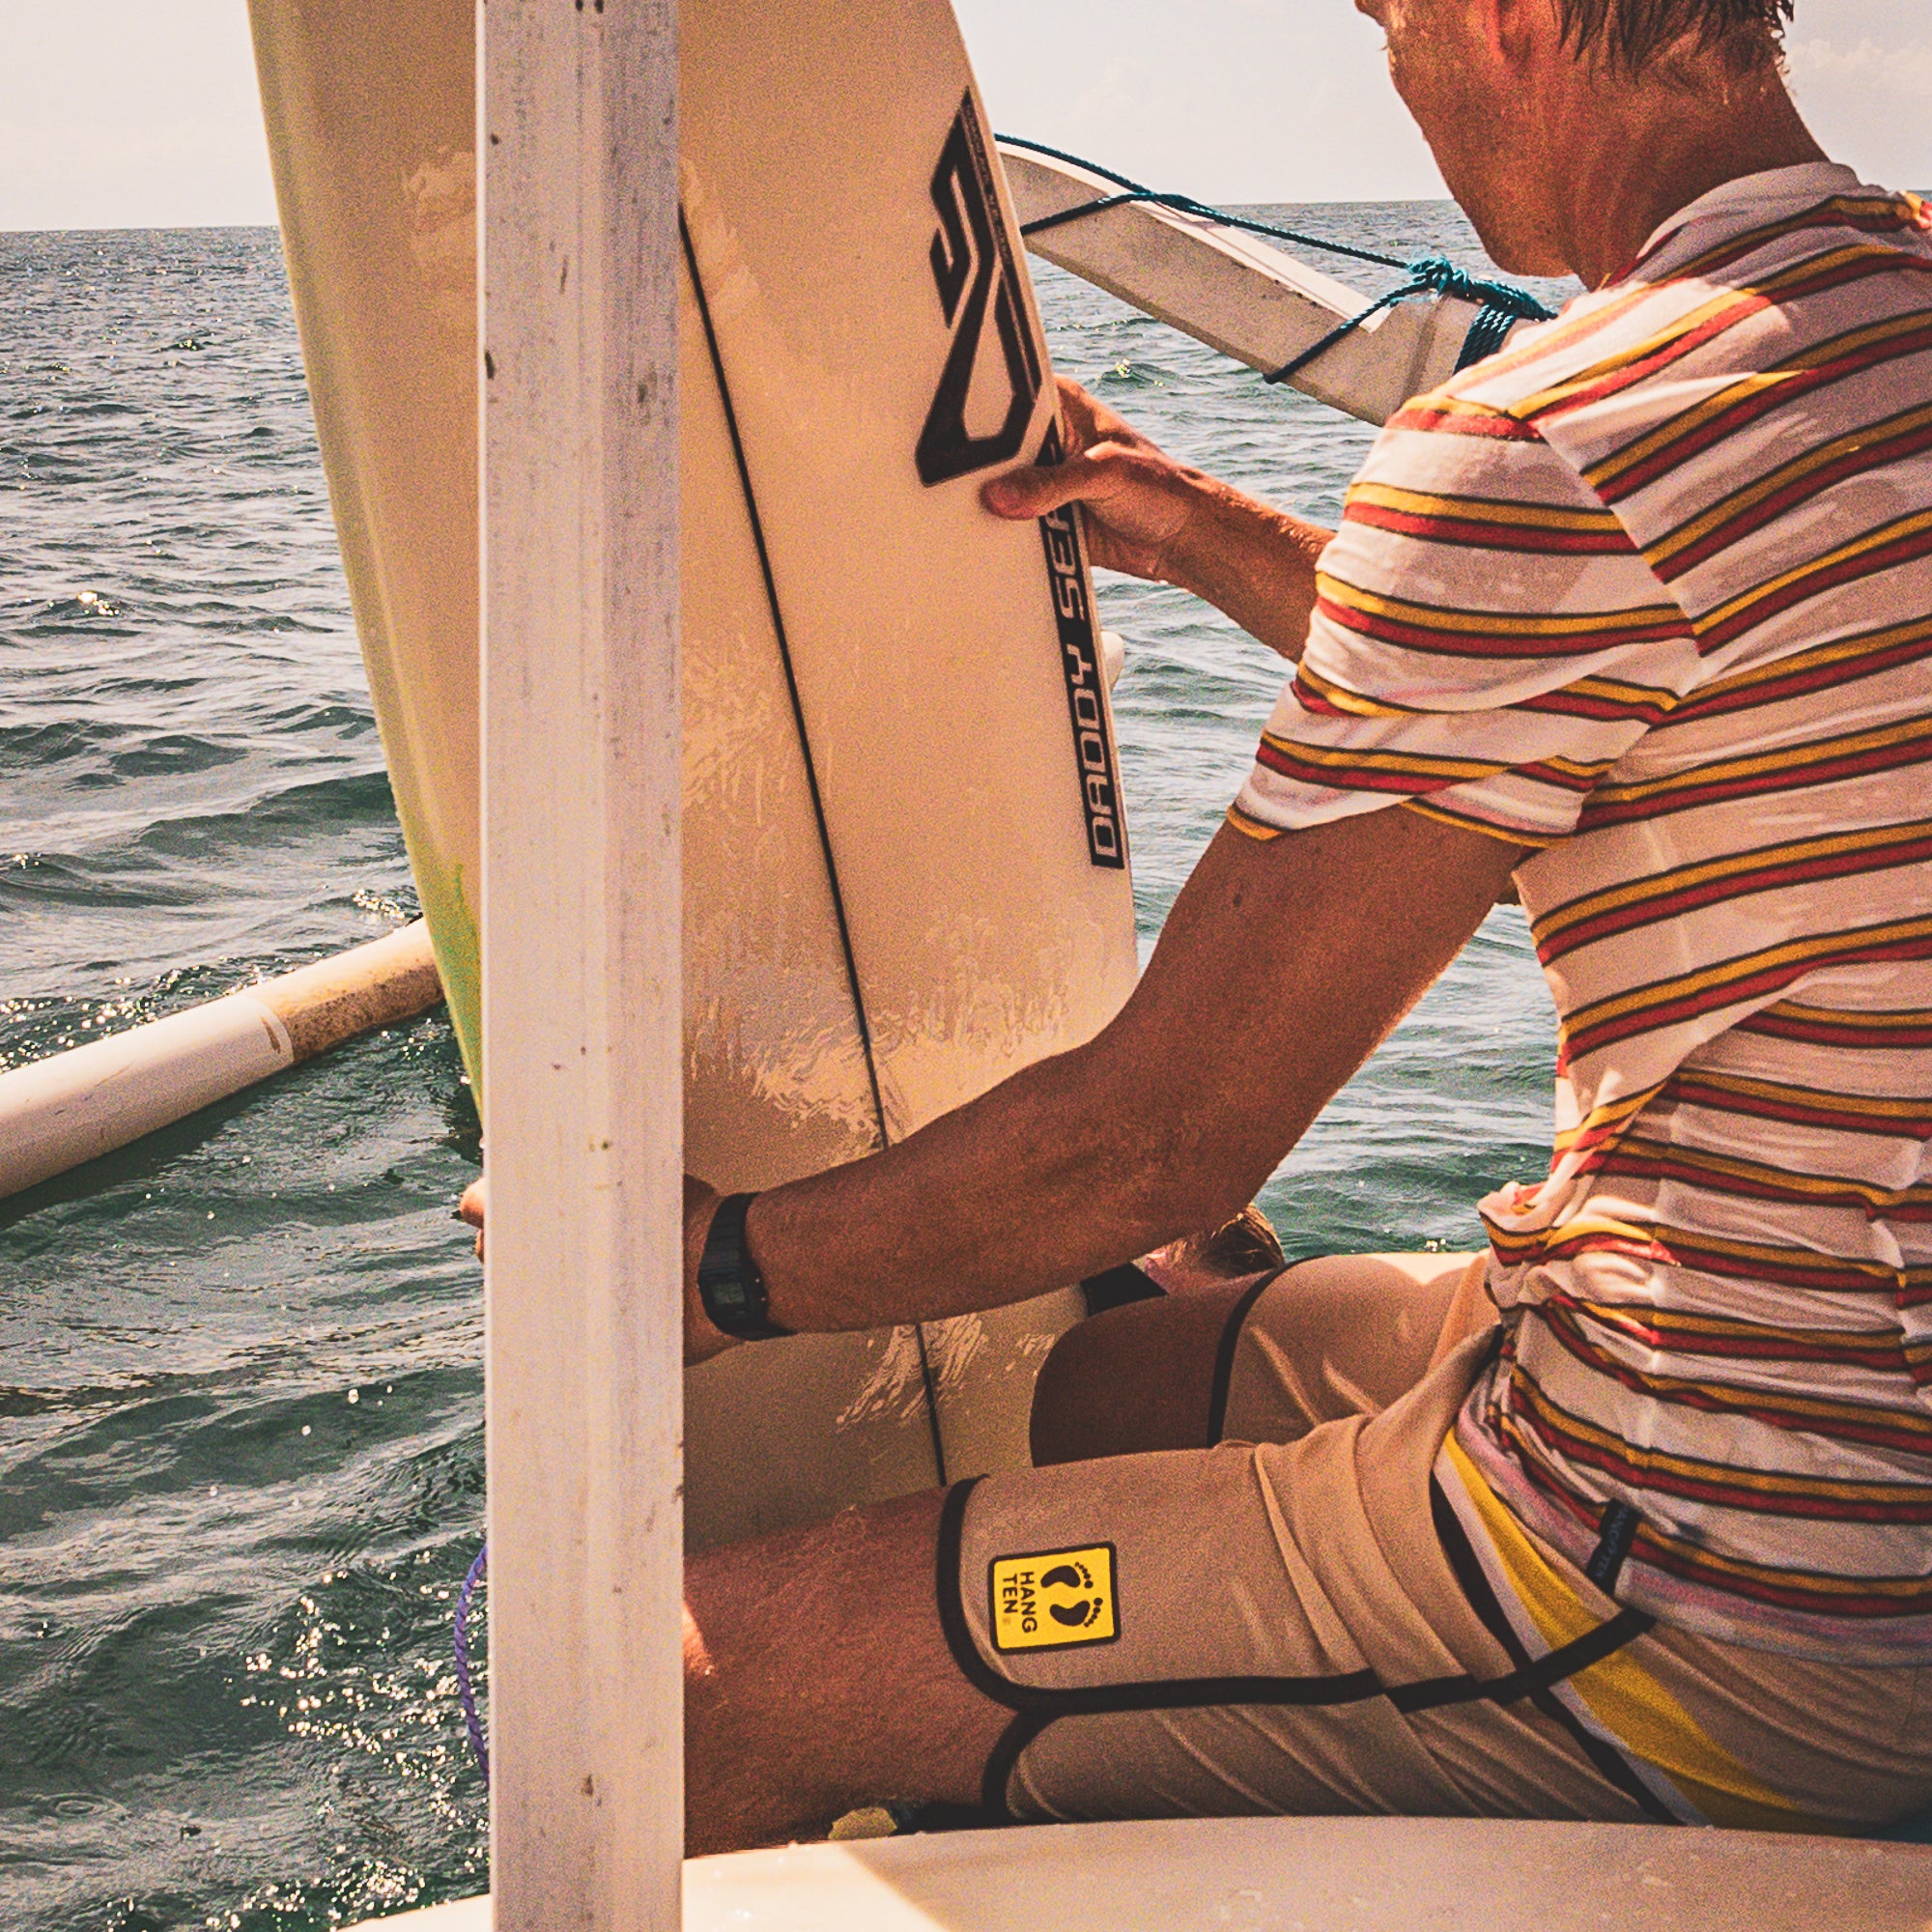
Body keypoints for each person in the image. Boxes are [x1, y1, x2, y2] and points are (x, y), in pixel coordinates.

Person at [481, 0, 1932, 1852]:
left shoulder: (1552, 441)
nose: (1393, 77)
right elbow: (1683, 679)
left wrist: (703, 1276)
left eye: (1388, 23)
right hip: (1782, 1393)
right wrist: (1202, 532)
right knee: (1114, 1379)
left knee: (679, 1685)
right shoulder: (1870, 315)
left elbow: (1158, 1143)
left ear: (1500, 16)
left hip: (1736, 1587)